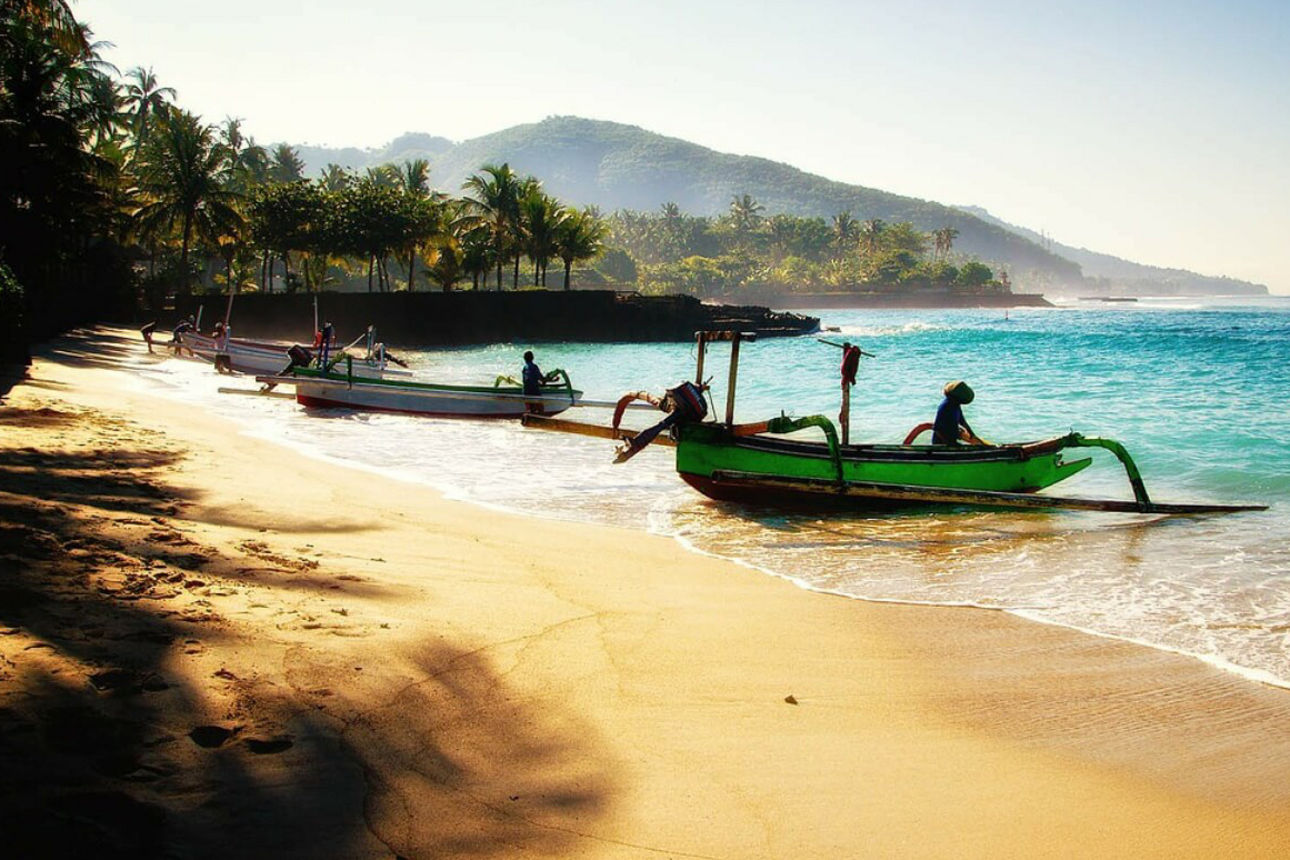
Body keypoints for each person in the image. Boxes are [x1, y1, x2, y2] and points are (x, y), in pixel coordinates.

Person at [933, 380, 983, 445]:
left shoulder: (956, 405)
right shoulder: (946, 406)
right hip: (941, 442)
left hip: (951, 440)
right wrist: (949, 444)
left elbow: (962, 421)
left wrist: (972, 434)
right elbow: (937, 429)